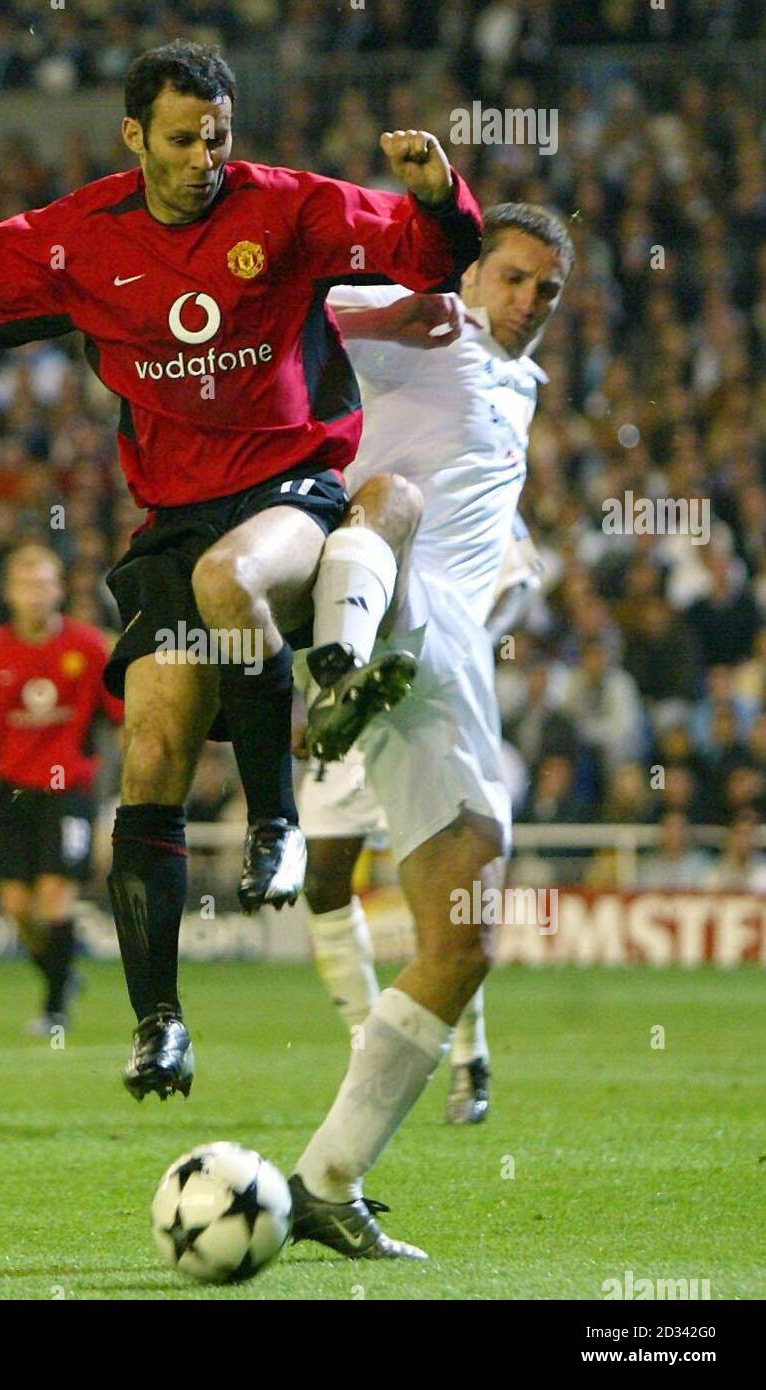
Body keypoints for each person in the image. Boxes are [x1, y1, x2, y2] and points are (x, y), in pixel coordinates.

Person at [0, 40, 482, 1100]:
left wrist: (443, 197)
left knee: (235, 581)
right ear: (135, 134)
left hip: (290, 494)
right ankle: (160, 1024)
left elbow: (420, 253)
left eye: (218, 136)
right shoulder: (76, 241)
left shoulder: (288, 208)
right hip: (171, 525)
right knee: (150, 753)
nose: (203, 159)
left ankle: (275, 824)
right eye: (182, 140)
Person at [285, 204, 576, 1258]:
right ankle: (344, 666)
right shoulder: (432, 324)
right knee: (393, 497)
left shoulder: (523, 383)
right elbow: (302, 289)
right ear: (473, 270)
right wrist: (401, 287)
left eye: (547, 289)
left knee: (465, 939)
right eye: (511, 277)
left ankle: (325, 1182)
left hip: (452, 650)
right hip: (383, 584)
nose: (528, 303)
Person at [298, 515, 544, 1126]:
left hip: (429, 708)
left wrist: (462, 644)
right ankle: (371, 1046)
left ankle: (469, 1057)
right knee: (323, 880)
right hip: (352, 706)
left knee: (446, 889)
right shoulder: (337, 472)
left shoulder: (466, 471)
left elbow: (521, 580)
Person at [0, 544, 123, 1034]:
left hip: (70, 788)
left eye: (46, 584)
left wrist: (127, 788)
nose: (37, 594)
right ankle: (62, 974)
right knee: (16, 908)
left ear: (60, 589)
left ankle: (54, 1013)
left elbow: (121, 718)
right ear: (10, 593)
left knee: (55, 898)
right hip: (13, 789)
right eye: (28, 585)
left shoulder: (88, 648)